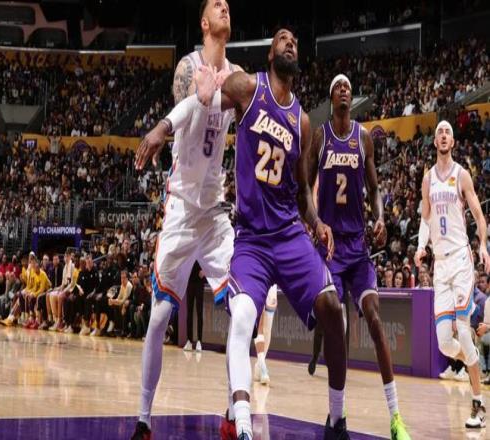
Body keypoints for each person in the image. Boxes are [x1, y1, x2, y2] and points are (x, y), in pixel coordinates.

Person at [196, 28, 347, 439]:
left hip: (290, 234)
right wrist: (201, 96)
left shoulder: (302, 121)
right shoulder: (248, 87)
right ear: (270, 54)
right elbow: (207, 103)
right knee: (244, 316)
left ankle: (337, 419)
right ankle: (243, 423)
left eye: (295, 40)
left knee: (333, 308)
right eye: (282, 38)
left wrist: (317, 222)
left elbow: (302, 190)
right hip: (252, 239)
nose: (290, 42)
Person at [131, 1, 238, 438]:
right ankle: (143, 418)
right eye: (216, 3)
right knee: (159, 316)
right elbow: (188, 115)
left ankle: (234, 413)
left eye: (227, 4)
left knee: (242, 307)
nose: (225, 5)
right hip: (180, 206)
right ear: (204, 22)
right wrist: (169, 120)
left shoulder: (237, 75)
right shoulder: (187, 67)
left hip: (214, 212)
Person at [310, 74, 410, 440]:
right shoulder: (320, 136)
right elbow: (304, 185)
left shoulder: (363, 138)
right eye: (338, 86)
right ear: (331, 96)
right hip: (330, 248)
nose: (344, 90)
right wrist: (315, 221)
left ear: (352, 99)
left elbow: (375, 189)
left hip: (358, 246)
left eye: (348, 88)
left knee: (375, 320)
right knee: (337, 328)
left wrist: (380, 217)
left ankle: (396, 417)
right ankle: (337, 412)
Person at [415, 120, 490, 429]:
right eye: (439, 133)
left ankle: (478, 404)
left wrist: (483, 245)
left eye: (448, 132)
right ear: (435, 142)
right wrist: (421, 246)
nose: (443, 136)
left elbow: (479, 215)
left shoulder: (462, 175)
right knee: (446, 343)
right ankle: (472, 360)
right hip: (440, 265)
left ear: (453, 141)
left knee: (462, 327)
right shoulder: (428, 179)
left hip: (460, 259)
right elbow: (425, 218)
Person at [253, 284, 277, 385]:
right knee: (260, 325)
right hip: (257, 282)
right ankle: (263, 368)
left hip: (271, 285)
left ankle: (259, 366)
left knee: (267, 330)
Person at [183, 262, 206, 352]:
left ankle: (199, 341)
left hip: (199, 281)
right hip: (190, 281)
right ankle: (189, 341)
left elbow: (207, 260)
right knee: (189, 312)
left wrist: (205, 270)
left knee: (199, 312)